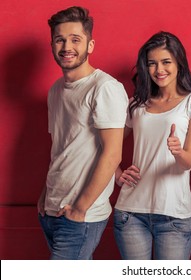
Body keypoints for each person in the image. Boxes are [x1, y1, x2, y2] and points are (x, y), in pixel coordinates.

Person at [37, 6, 129, 260]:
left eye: (75, 39)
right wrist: (46, 197)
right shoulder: (56, 90)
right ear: (52, 45)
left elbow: (112, 155)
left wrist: (80, 208)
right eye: (60, 39)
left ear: (90, 45)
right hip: (51, 209)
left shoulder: (105, 88)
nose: (67, 46)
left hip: (80, 215)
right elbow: (61, 148)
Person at [113, 31, 191, 260]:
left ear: (179, 62)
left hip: (173, 215)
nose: (159, 70)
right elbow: (109, 147)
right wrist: (117, 174)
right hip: (130, 212)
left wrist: (178, 151)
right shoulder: (136, 104)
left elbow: (188, 162)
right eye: (152, 63)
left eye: (166, 62)